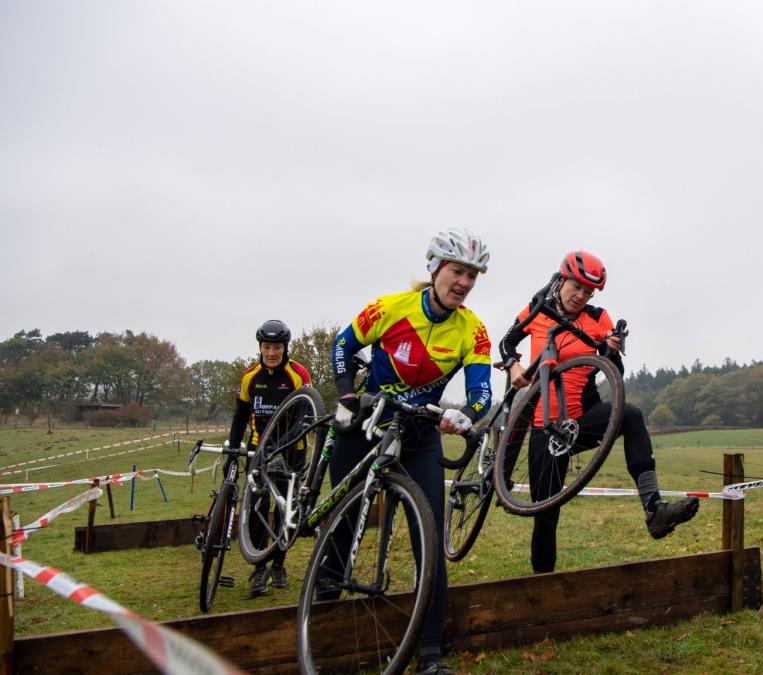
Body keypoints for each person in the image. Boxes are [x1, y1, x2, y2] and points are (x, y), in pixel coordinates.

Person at [326, 229, 492, 675]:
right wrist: (346, 395)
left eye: (473, 276)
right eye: (457, 271)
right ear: (435, 269)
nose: (464, 283)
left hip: (419, 435)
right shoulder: (390, 307)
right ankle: (321, 616)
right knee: (343, 526)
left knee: (429, 540)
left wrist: (464, 416)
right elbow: (343, 345)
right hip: (368, 423)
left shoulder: (472, 329)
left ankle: (430, 655)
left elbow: (481, 394)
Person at [497, 250, 699, 575]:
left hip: (582, 418)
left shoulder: (598, 317)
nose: (581, 296)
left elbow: (613, 371)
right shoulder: (537, 308)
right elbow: (507, 342)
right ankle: (542, 585)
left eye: (588, 292)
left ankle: (654, 509)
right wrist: (513, 365)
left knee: (630, 414)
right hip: (545, 426)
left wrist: (611, 350)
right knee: (546, 517)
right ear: (562, 280)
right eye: (576, 287)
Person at [227, 319, 312, 597]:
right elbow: (240, 415)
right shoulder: (250, 377)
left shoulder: (297, 374)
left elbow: (306, 416)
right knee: (257, 507)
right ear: (260, 348)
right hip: (259, 449)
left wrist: (283, 445)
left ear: (285, 348)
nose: (272, 353)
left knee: (286, 510)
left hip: (292, 449)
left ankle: (278, 565)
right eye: (267, 347)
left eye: (277, 347)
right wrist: (232, 451)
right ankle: (259, 568)